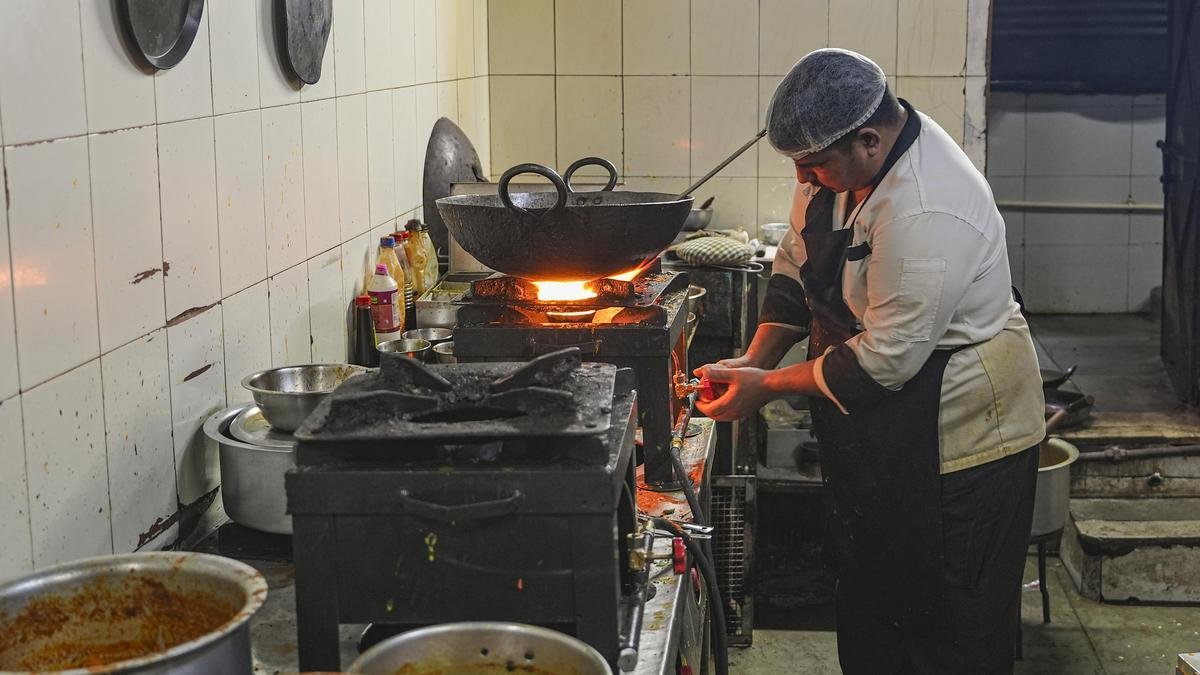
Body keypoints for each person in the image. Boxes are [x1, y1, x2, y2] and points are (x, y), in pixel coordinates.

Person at [695, 49, 1046, 673]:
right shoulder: (837, 166)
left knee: (951, 616)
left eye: (813, 165)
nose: (802, 177)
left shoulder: (927, 206)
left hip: (958, 432)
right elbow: (797, 263)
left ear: (868, 140)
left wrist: (767, 386)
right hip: (888, 421)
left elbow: (885, 362)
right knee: (871, 591)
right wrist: (754, 358)